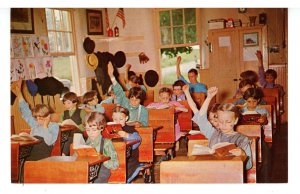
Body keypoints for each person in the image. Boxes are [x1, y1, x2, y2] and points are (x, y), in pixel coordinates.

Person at [183, 85, 252, 170]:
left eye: (228, 122)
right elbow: (201, 118)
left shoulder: (242, 139)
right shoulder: (213, 133)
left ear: (235, 121)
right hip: (213, 170)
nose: (223, 125)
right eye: (220, 122)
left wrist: (242, 154)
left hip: (231, 174)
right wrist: (209, 98)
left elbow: (249, 165)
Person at [13, 80, 59, 181]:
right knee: (17, 160)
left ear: (48, 116)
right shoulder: (35, 124)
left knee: (25, 165)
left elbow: (49, 141)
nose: (38, 120)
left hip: (42, 154)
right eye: (37, 118)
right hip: (31, 152)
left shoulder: (54, 126)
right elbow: (25, 111)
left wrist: (45, 126)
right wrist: (19, 92)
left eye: (41, 118)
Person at [108, 62, 148, 127]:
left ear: (141, 100)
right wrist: (112, 76)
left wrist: (140, 124)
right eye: (132, 99)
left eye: (136, 100)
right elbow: (119, 91)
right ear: (129, 98)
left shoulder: (143, 110)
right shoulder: (125, 102)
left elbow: (145, 125)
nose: (133, 102)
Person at [84, 112, 119, 183]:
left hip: (101, 174)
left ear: (101, 128)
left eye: (94, 130)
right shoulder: (84, 143)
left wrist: (103, 160)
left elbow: (115, 164)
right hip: (87, 172)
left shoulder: (106, 143)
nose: (90, 133)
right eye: (87, 130)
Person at [111, 106, 141, 182]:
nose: (118, 122)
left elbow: (138, 140)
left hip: (129, 159)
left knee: (123, 176)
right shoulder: (111, 130)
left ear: (126, 118)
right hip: (115, 158)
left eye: (121, 119)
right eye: (115, 119)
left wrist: (126, 135)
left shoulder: (130, 130)